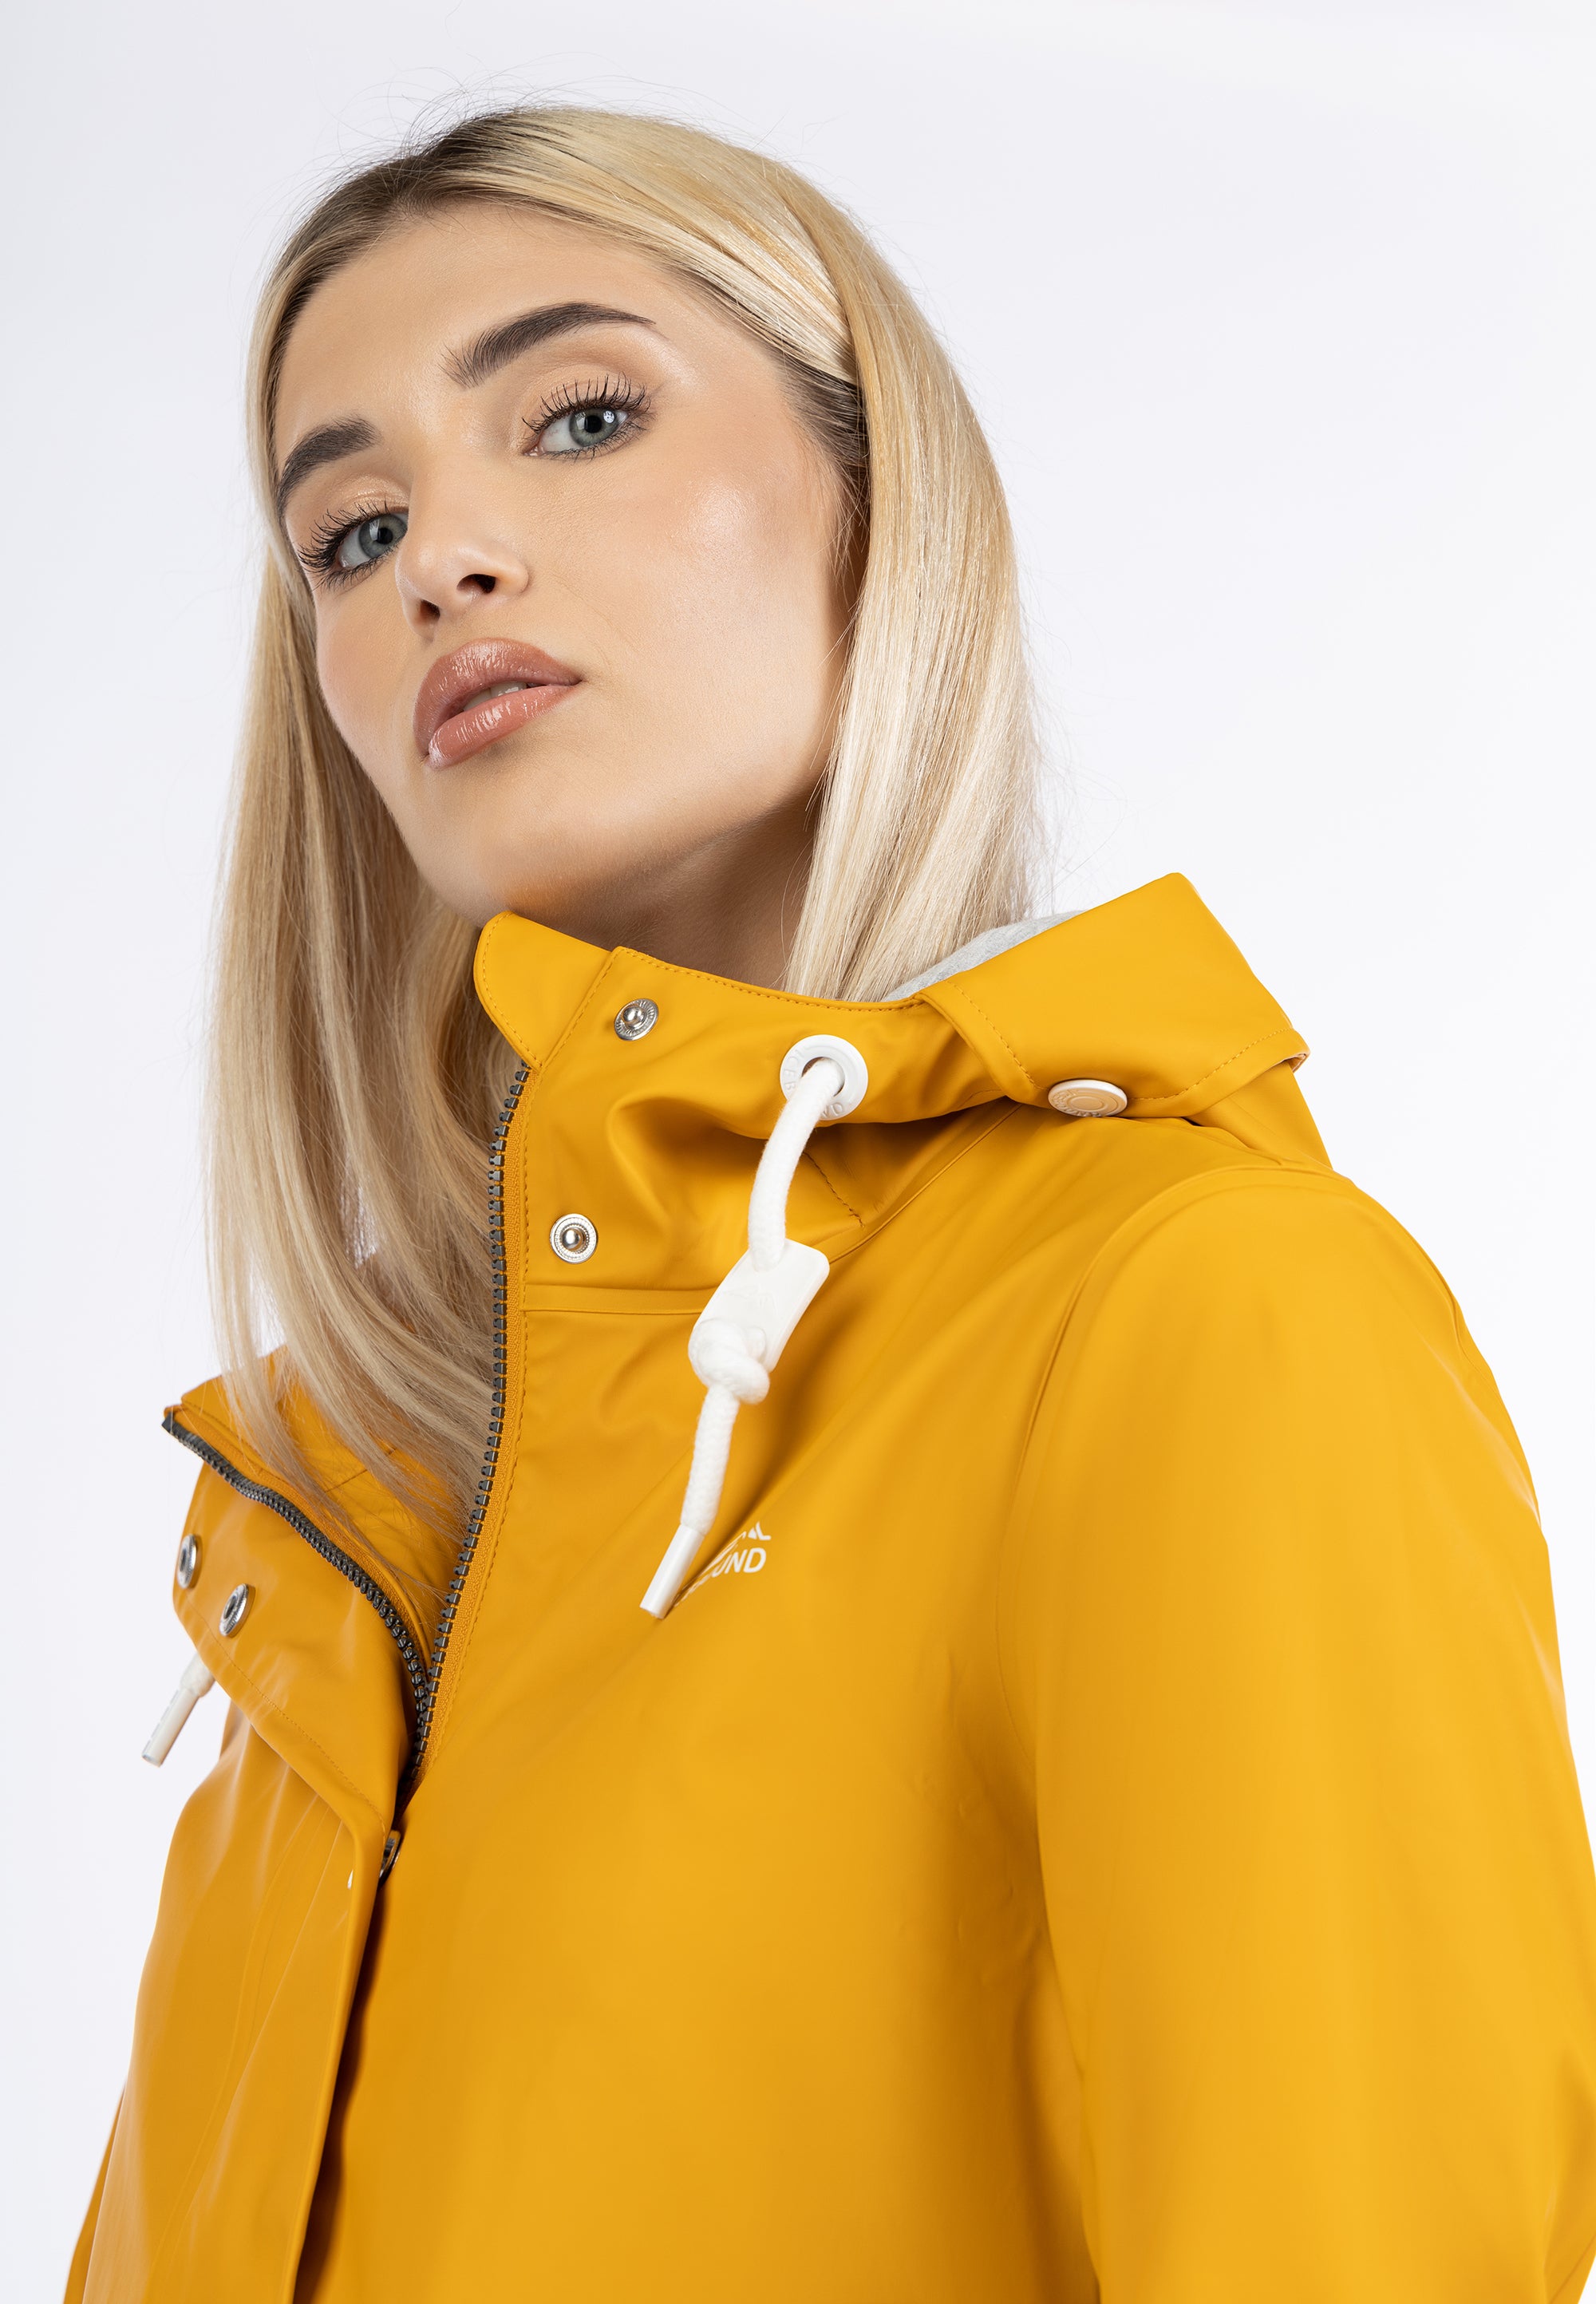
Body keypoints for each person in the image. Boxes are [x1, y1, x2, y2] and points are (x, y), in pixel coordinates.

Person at [69, 105, 1596, 2304]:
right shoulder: (349, 1517)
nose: (438, 563)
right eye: (350, 529)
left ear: (881, 505)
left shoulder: (1187, 1318)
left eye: (579, 418)